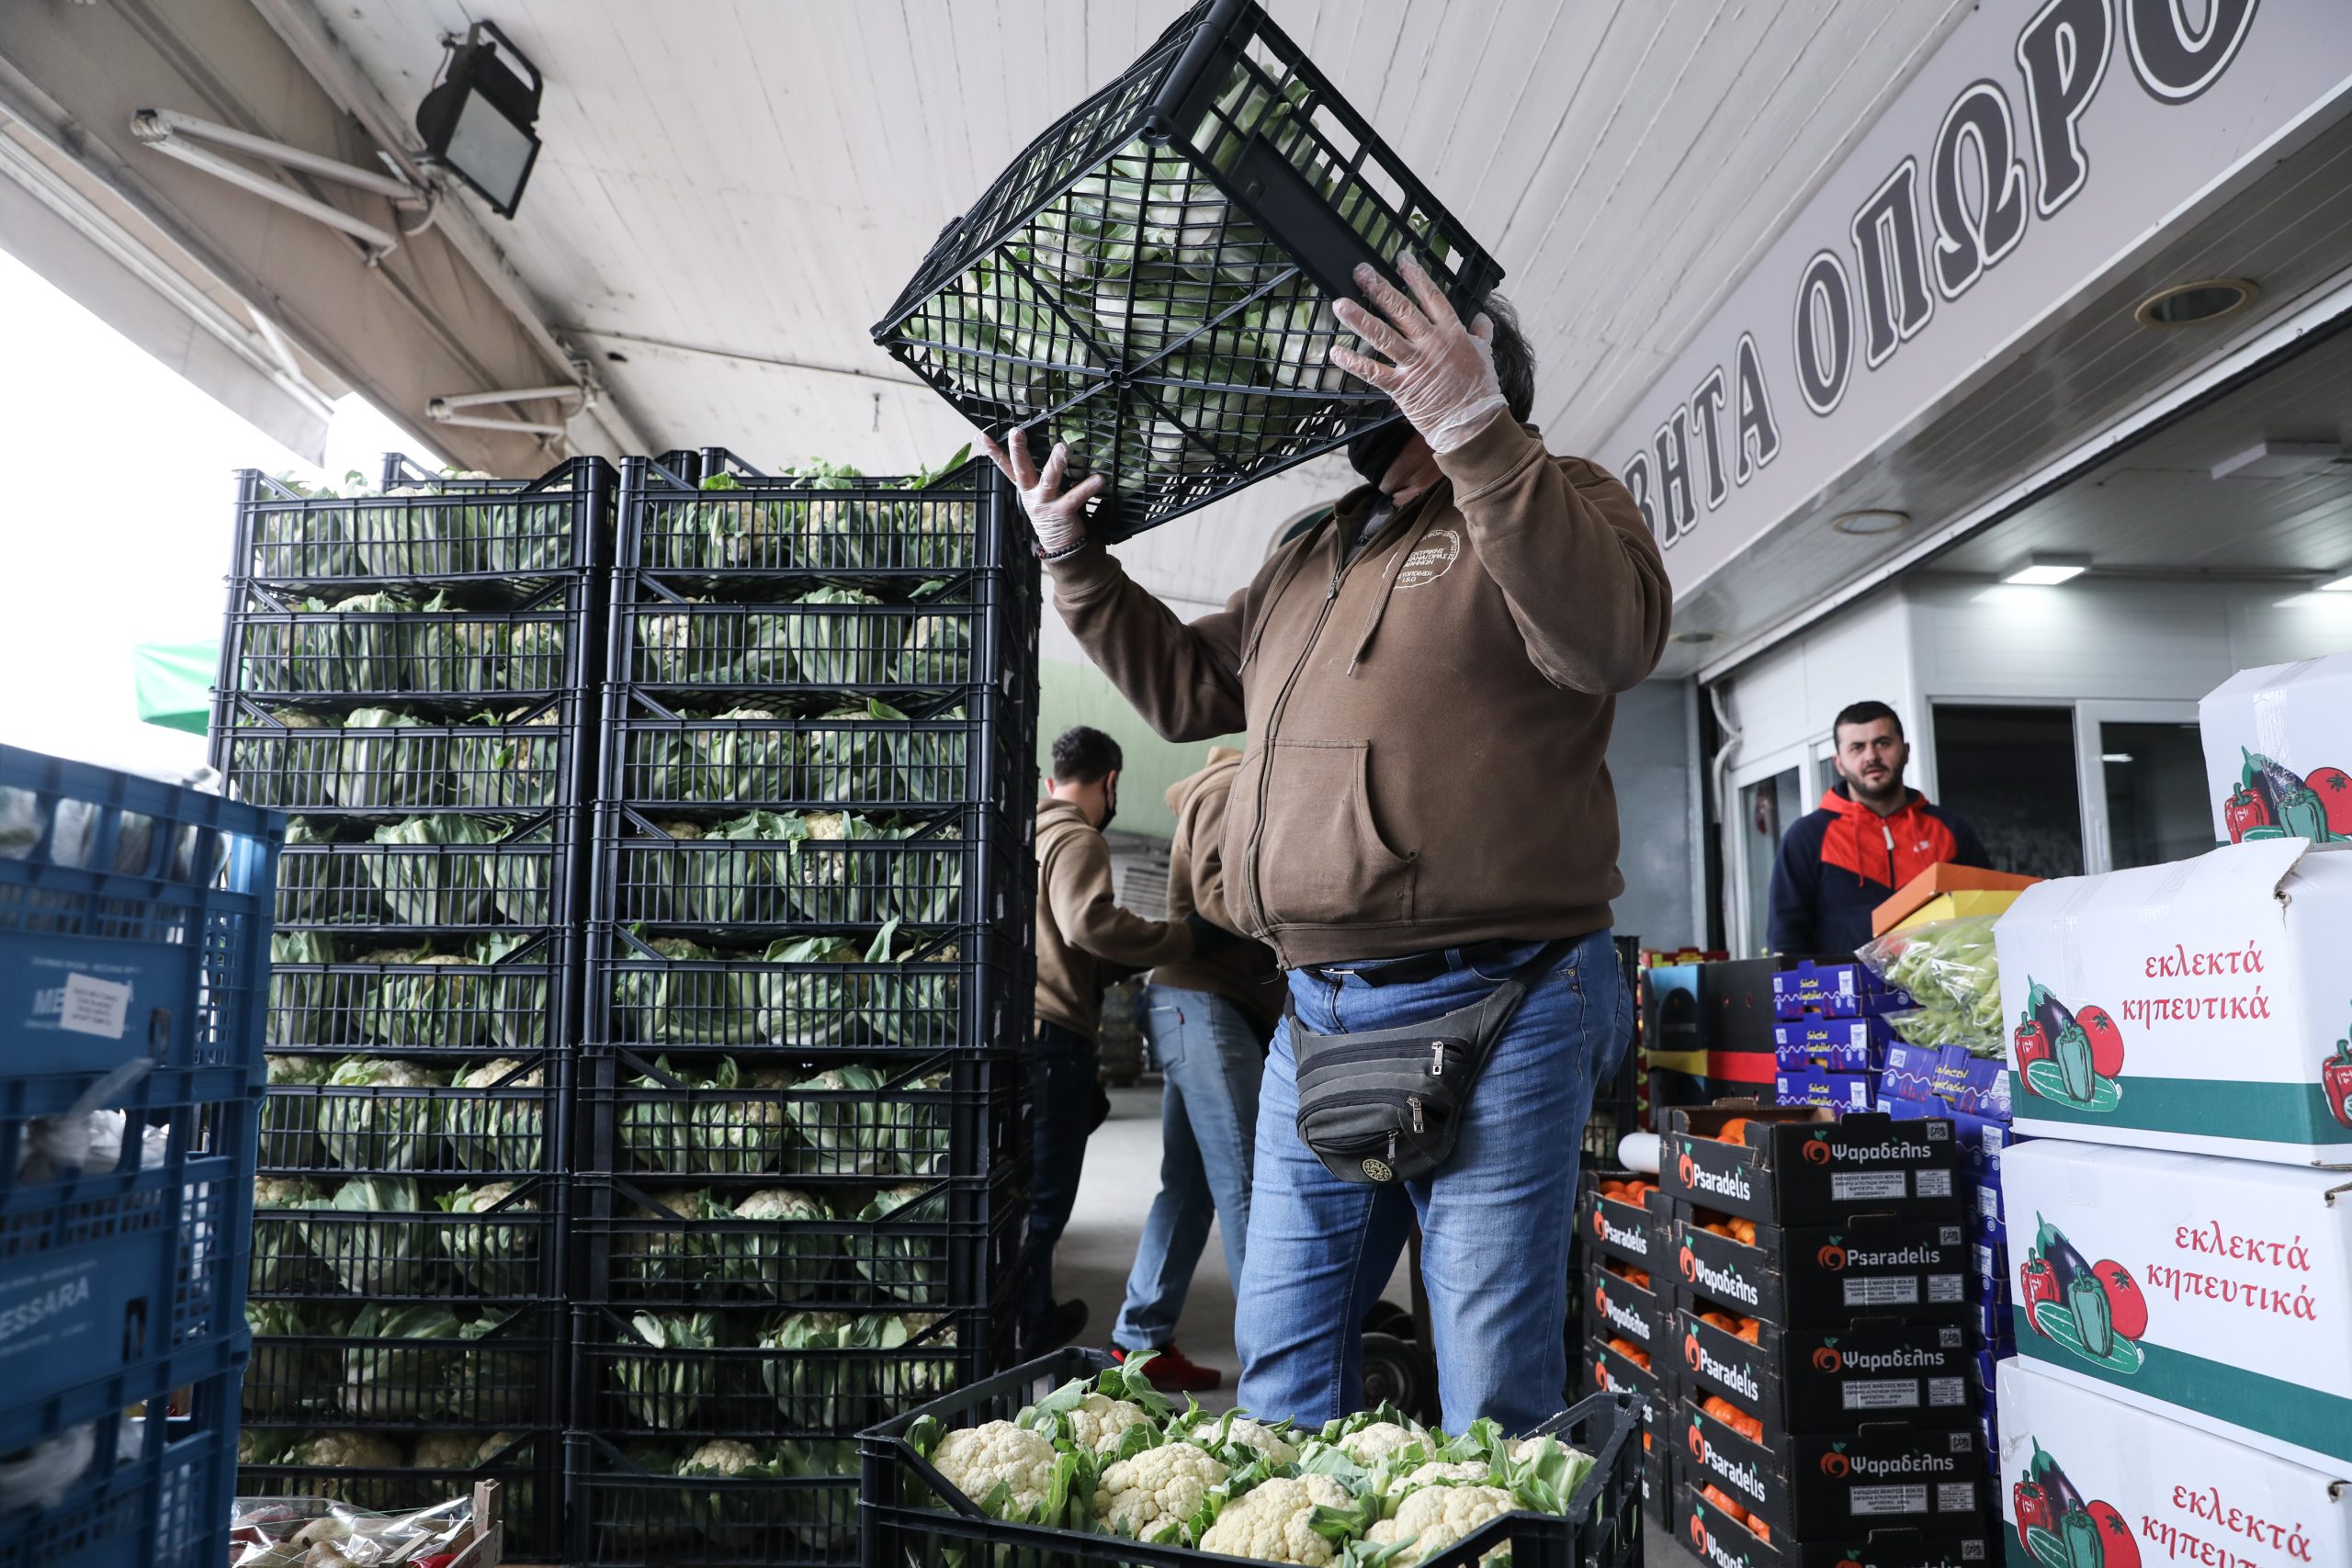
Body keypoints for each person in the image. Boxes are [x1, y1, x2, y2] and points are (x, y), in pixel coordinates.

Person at [979, 257, 1670, 1432]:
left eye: (1393, 352)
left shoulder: (1560, 491)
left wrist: (1477, 432)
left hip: (1502, 997)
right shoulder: (1314, 544)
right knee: (1283, 1363)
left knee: (1491, 1383)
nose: (1354, 375)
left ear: (1472, 370)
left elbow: (1609, 640)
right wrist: (1076, 567)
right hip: (1318, 1012)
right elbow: (1194, 689)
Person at [1109, 744, 1284, 1393]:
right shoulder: (1227, 787)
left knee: (1188, 1187)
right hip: (1202, 1002)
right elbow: (1215, 898)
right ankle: (1278, 1363)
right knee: (1247, 1181)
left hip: (1218, 1006)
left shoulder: (1251, 788)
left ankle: (1140, 1343)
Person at [1028, 725, 1207, 1356]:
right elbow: (1088, 924)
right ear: (1110, 782)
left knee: (1023, 1194)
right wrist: (1183, 940)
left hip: (1020, 1038)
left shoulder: (1023, 834)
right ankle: (1028, 1328)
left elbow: (1057, 937)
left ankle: (1022, 1317)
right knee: (1047, 1201)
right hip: (1054, 1039)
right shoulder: (1078, 837)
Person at [1766, 700, 1992, 955]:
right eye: (1857, 747)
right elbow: (1786, 939)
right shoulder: (1807, 838)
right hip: (1847, 993)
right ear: (1838, 763)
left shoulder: (1951, 830)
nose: (1871, 756)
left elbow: (1986, 919)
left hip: (1937, 992)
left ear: (1905, 751)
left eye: (1883, 743)